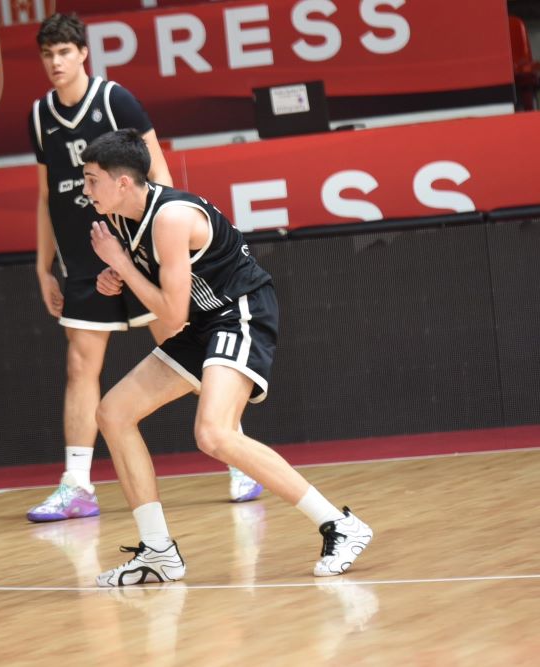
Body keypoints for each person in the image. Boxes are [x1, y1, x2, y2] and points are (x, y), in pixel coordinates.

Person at [80, 129, 372, 586]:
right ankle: (158, 552)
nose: (85, 190)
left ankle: (339, 524)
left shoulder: (170, 217)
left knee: (214, 433)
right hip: (204, 320)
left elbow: (170, 314)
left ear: (122, 182)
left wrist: (121, 265)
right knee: (113, 413)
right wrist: (116, 274)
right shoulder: (119, 217)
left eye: (91, 179)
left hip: (240, 311)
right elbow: (165, 289)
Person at [27, 13, 260, 522]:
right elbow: (46, 195)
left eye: (63, 52)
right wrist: (44, 267)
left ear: (82, 53)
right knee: (80, 365)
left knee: (185, 350)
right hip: (85, 258)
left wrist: (158, 247)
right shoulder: (41, 115)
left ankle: (237, 456)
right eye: (47, 54)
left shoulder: (115, 100)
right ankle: (76, 484)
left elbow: (159, 172)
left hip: (139, 247)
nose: (56, 62)